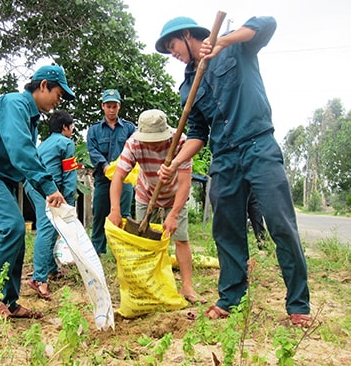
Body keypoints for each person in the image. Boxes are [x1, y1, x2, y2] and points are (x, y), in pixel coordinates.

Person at [155, 16, 312, 327]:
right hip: (224, 157)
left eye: (172, 46)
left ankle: (298, 304)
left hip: (258, 144)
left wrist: (223, 42)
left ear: (188, 35)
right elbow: (198, 133)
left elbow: (267, 24)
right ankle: (231, 297)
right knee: (226, 230)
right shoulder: (188, 85)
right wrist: (174, 162)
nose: (171, 53)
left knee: (280, 223)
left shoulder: (235, 47)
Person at [0, 65, 75, 319]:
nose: (59, 101)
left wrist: (49, 192)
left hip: (2, 180)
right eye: (58, 93)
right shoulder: (14, 104)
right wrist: (49, 187)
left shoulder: (31, 119)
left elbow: (29, 156)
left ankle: (9, 303)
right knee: (12, 227)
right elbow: (21, 151)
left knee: (18, 236)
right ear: (43, 85)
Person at [108, 109, 205, 304]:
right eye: (149, 141)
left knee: (181, 239)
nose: (153, 145)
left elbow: (185, 183)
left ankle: (187, 286)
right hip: (146, 194)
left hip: (175, 195)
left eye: (157, 140)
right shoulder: (134, 144)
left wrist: (174, 214)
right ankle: (145, 285)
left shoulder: (181, 143)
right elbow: (118, 176)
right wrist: (115, 210)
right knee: (142, 240)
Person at [24, 110, 78, 300]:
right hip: (47, 190)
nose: (72, 131)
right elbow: (70, 177)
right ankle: (39, 279)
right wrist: (69, 205)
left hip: (31, 186)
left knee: (52, 226)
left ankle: (52, 270)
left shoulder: (44, 144)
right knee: (47, 228)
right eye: (71, 127)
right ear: (65, 127)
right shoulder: (66, 143)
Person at [87, 89, 136, 255]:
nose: (111, 109)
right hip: (102, 178)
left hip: (125, 179)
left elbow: (134, 149)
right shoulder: (94, 130)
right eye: (108, 106)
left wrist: (121, 169)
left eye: (114, 106)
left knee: (124, 215)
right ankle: (98, 252)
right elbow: (93, 151)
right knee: (100, 214)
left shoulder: (130, 128)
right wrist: (105, 166)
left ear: (119, 106)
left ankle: (122, 252)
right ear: (103, 106)